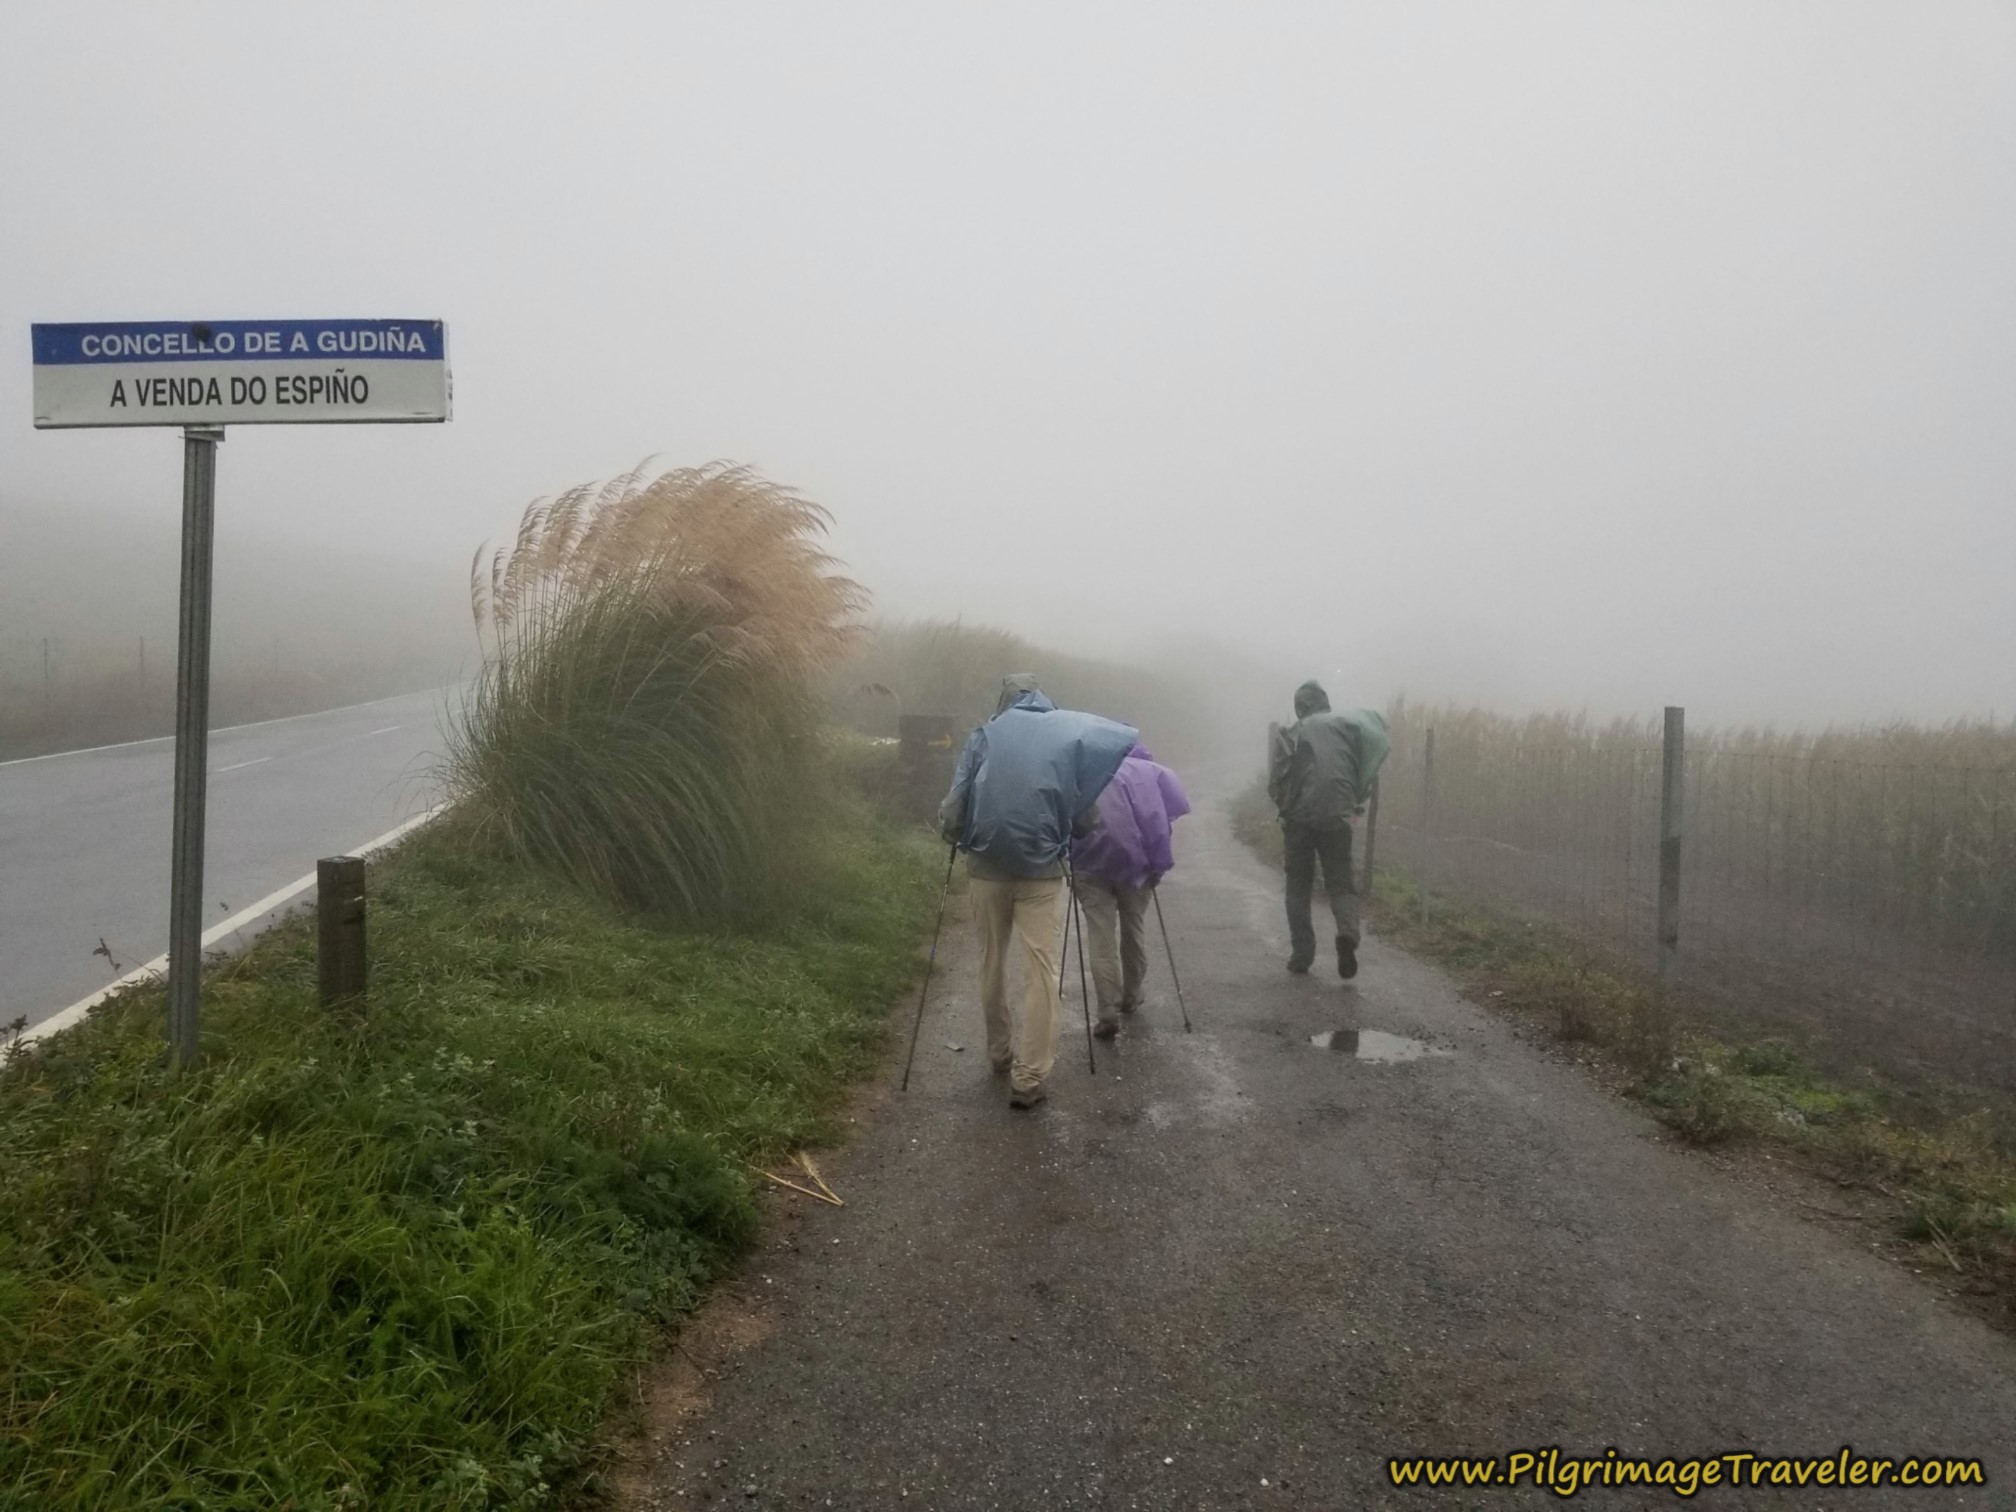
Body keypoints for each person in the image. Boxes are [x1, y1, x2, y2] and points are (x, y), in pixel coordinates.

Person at [940, 675, 1136, 1109]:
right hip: (1041, 873)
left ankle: (999, 1053)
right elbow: (1086, 821)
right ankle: (1029, 1079)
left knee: (992, 962)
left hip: (986, 870)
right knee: (1042, 972)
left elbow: (954, 809)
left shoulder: (984, 735)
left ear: (1004, 700)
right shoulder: (1063, 742)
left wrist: (954, 836)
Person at [1268, 681, 1389, 979]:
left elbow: (1277, 778)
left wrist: (1284, 807)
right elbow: (1363, 766)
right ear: (1325, 703)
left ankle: (1302, 956)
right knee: (1341, 882)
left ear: (1300, 707)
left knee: (1298, 884)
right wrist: (1353, 801)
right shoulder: (1347, 727)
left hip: (1299, 818)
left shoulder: (1294, 731)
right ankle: (1347, 934)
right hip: (1338, 815)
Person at [1070, 742, 1191, 1039]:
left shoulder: (1084, 773)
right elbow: (1169, 813)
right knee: (1133, 927)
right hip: (1137, 866)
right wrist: (1158, 864)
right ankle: (1132, 995)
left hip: (1089, 863)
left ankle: (1106, 1011)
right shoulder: (1152, 771)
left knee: (1100, 937)